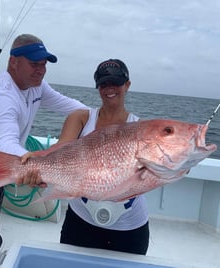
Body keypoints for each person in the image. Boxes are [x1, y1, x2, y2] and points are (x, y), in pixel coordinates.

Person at [0, 33, 88, 229]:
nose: (41, 70)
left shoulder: (36, 87)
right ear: (13, 62)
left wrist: (103, 118)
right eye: (35, 64)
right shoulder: (0, 96)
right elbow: (6, 143)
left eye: (44, 64)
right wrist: (36, 166)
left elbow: (74, 107)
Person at [21, 59, 149, 255]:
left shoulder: (141, 129)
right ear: (97, 87)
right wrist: (36, 162)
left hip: (129, 226)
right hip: (81, 220)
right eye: (104, 84)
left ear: (127, 85)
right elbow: (60, 150)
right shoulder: (81, 118)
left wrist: (182, 160)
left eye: (116, 82)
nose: (109, 89)